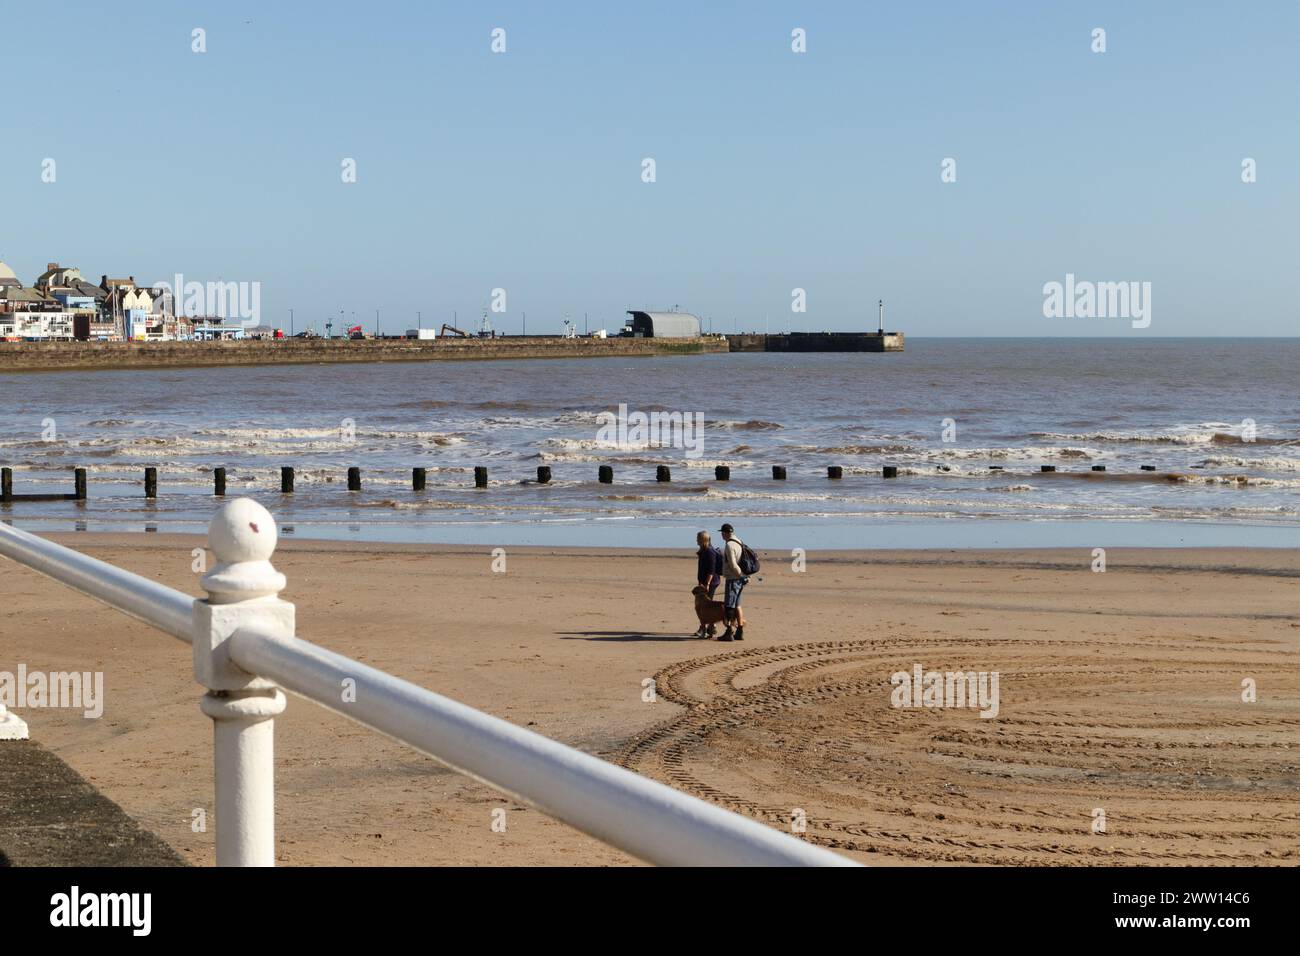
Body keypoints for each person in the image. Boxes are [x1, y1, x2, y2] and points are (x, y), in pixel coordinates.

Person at [718, 522, 747, 642]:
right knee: (737, 605)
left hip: (733, 578)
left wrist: (740, 576)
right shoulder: (738, 541)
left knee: (729, 605)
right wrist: (744, 576)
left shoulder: (729, 545)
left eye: (722, 533)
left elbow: (733, 564)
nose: (722, 536)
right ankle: (740, 630)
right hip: (739, 578)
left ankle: (729, 631)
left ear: (725, 533)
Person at [694, 531, 722, 638]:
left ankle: (704, 628)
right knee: (705, 606)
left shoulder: (709, 551)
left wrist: (707, 584)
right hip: (704, 582)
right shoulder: (703, 551)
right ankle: (711, 627)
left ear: (703, 539)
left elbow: (711, 569)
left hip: (710, 582)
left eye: (698, 538)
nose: (696, 540)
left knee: (704, 607)